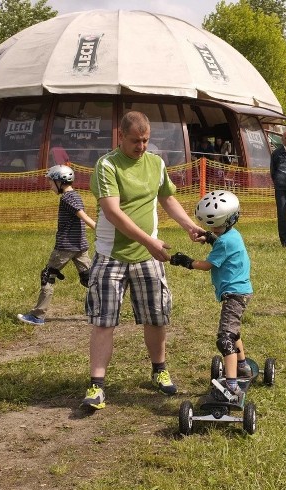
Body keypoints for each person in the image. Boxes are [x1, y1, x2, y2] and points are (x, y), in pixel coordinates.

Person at [81, 111, 207, 410]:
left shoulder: (156, 163)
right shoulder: (107, 165)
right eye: (136, 141)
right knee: (104, 320)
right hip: (111, 254)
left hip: (147, 257)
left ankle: (159, 369)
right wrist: (150, 241)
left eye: (146, 140)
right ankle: (96, 386)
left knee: (156, 315)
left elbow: (166, 198)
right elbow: (112, 212)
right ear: (120, 137)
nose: (141, 147)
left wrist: (189, 225)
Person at [169, 190, 254, 401]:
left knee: (225, 339)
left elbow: (206, 265)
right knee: (233, 331)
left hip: (234, 295)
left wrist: (185, 261)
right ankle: (242, 366)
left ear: (227, 220)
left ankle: (231, 386)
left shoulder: (225, 242)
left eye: (214, 226)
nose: (212, 230)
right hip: (240, 292)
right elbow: (219, 240)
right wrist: (208, 237)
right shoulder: (232, 234)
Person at [16, 165, 96, 326]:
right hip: (80, 246)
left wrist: (100, 230)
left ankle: (37, 316)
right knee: (90, 279)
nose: (50, 186)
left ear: (60, 181)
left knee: (48, 275)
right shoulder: (76, 195)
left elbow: (84, 216)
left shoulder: (67, 198)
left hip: (65, 247)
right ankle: (97, 312)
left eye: (51, 182)